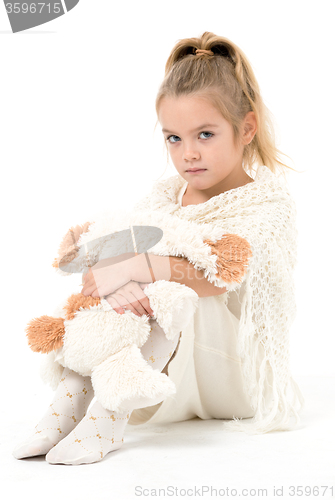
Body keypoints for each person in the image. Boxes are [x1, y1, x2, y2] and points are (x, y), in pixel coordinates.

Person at [13, 31, 304, 466]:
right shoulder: (165, 197)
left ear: (246, 128)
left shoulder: (267, 203)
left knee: (167, 285)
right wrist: (116, 276)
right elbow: (111, 252)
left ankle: (107, 418)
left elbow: (224, 275)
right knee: (113, 285)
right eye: (173, 138)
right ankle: (70, 400)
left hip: (235, 375)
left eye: (205, 134)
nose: (188, 154)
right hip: (170, 371)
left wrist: (139, 268)